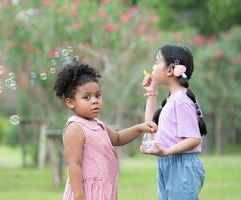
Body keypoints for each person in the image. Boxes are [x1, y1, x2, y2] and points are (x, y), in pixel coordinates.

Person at [53, 62, 157, 200]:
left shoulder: (98, 124)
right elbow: (74, 166)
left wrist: (139, 128)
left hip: (104, 191)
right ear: (71, 102)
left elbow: (118, 138)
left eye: (98, 95)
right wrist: (79, 197)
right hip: (87, 194)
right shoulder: (75, 128)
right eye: (86, 97)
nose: (95, 101)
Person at [141, 44, 207, 200]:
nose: (153, 66)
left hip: (181, 165)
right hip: (168, 163)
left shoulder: (182, 101)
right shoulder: (172, 99)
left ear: (170, 70)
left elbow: (193, 139)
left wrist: (164, 152)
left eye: (157, 62)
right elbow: (150, 125)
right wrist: (151, 92)